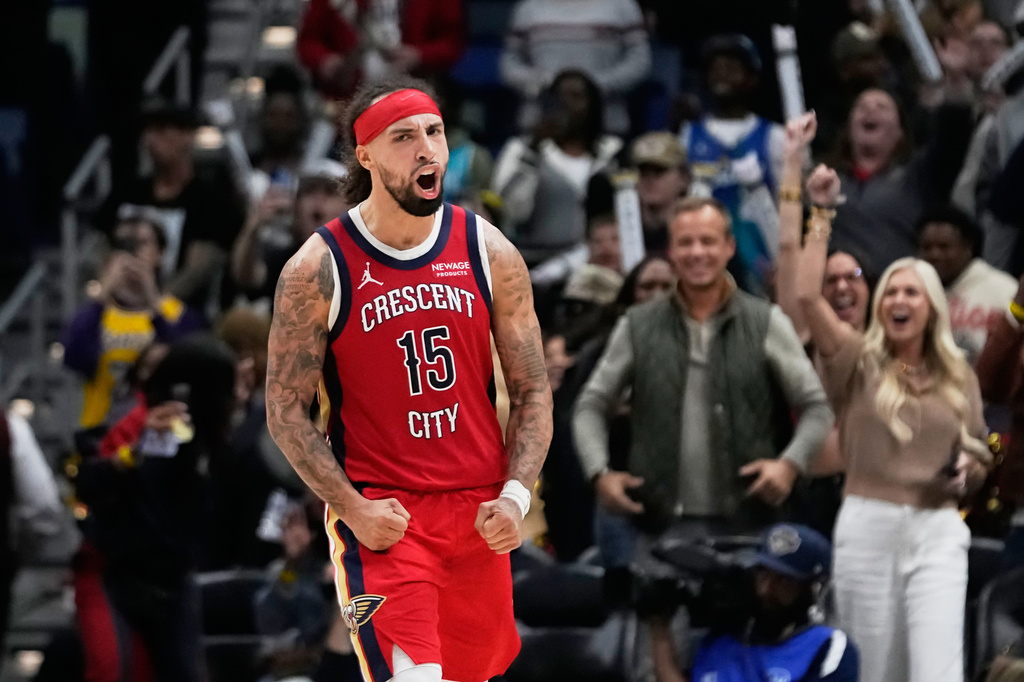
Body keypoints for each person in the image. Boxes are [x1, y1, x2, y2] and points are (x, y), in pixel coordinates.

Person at [264, 77, 553, 682]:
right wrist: (351, 508)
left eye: (435, 132)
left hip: (477, 512)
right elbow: (286, 412)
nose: (427, 150)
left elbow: (531, 391)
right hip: (385, 519)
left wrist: (517, 494)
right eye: (404, 137)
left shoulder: (489, 251)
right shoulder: (317, 269)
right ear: (365, 156)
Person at [573, 196, 834, 677]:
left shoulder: (765, 320)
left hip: (746, 528)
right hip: (659, 529)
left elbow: (816, 407)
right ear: (670, 250)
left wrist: (789, 464)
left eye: (708, 241)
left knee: (746, 666)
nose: (697, 252)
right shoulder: (639, 324)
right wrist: (599, 473)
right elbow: (589, 406)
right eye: (686, 242)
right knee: (654, 669)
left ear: (729, 247)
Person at [796, 164, 992, 682]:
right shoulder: (858, 361)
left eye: (912, 292)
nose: (899, 301)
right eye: (891, 292)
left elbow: (979, 455)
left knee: (938, 673)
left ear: (932, 307)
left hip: (939, 530)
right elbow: (805, 297)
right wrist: (820, 213)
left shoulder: (958, 373)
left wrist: (969, 470)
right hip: (868, 524)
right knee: (873, 672)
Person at [98, 97, 247, 310]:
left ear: (187, 136)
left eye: (161, 130)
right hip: (117, 309)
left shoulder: (210, 201)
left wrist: (155, 305)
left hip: (181, 318)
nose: (150, 139)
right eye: (147, 131)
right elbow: (101, 249)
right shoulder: (127, 194)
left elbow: (198, 270)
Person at [63, 211, 205, 430]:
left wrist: (153, 304)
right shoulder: (95, 314)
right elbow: (75, 359)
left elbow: (186, 365)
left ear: (160, 253)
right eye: (123, 244)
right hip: (104, 437)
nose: (133, 253)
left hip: (162, 431)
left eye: (142, 243)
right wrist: (104, 293)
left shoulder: (176, 313)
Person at [679, 33, 786, 296]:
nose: (722, 75)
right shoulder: (687, 136)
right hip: (705, 259)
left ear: (752, 78)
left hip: (762, 264)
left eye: (732, 68)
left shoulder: (774, 137)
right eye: (716, 69)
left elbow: (786, 206)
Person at [689, 524, 859, 682]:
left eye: (783, 582)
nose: (766, 590)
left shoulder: (824, 645)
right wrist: (661, 639)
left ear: (812, 589)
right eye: (763, 574)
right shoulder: (721, 639)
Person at [492, 70, 623, 267]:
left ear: (593, 105)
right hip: (534, 263)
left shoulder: (612, 154)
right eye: (559, 97)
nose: (567, 105)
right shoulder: (520, 149)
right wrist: (533, 151)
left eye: (576, 97)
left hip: (595, 265)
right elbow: (510, 212)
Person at [499, 0, 650, 136]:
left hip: (606, 126)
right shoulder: (528, 8)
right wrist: (544, 83)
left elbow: (639, 61)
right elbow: (509, 64)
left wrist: (592, 85)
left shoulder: (622, 5)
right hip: (541, 125)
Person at [296, 0, 464, 103]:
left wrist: (419, 55)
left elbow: (452, 41)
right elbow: (308, 40)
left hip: (413, 99)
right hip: (348, 104)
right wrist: (325, 61)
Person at [916, 204, 1017, 365]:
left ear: (967, 248)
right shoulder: (913, 292)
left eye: (944, 247)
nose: (934, 254)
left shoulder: (1004, 289)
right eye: (927, 247)